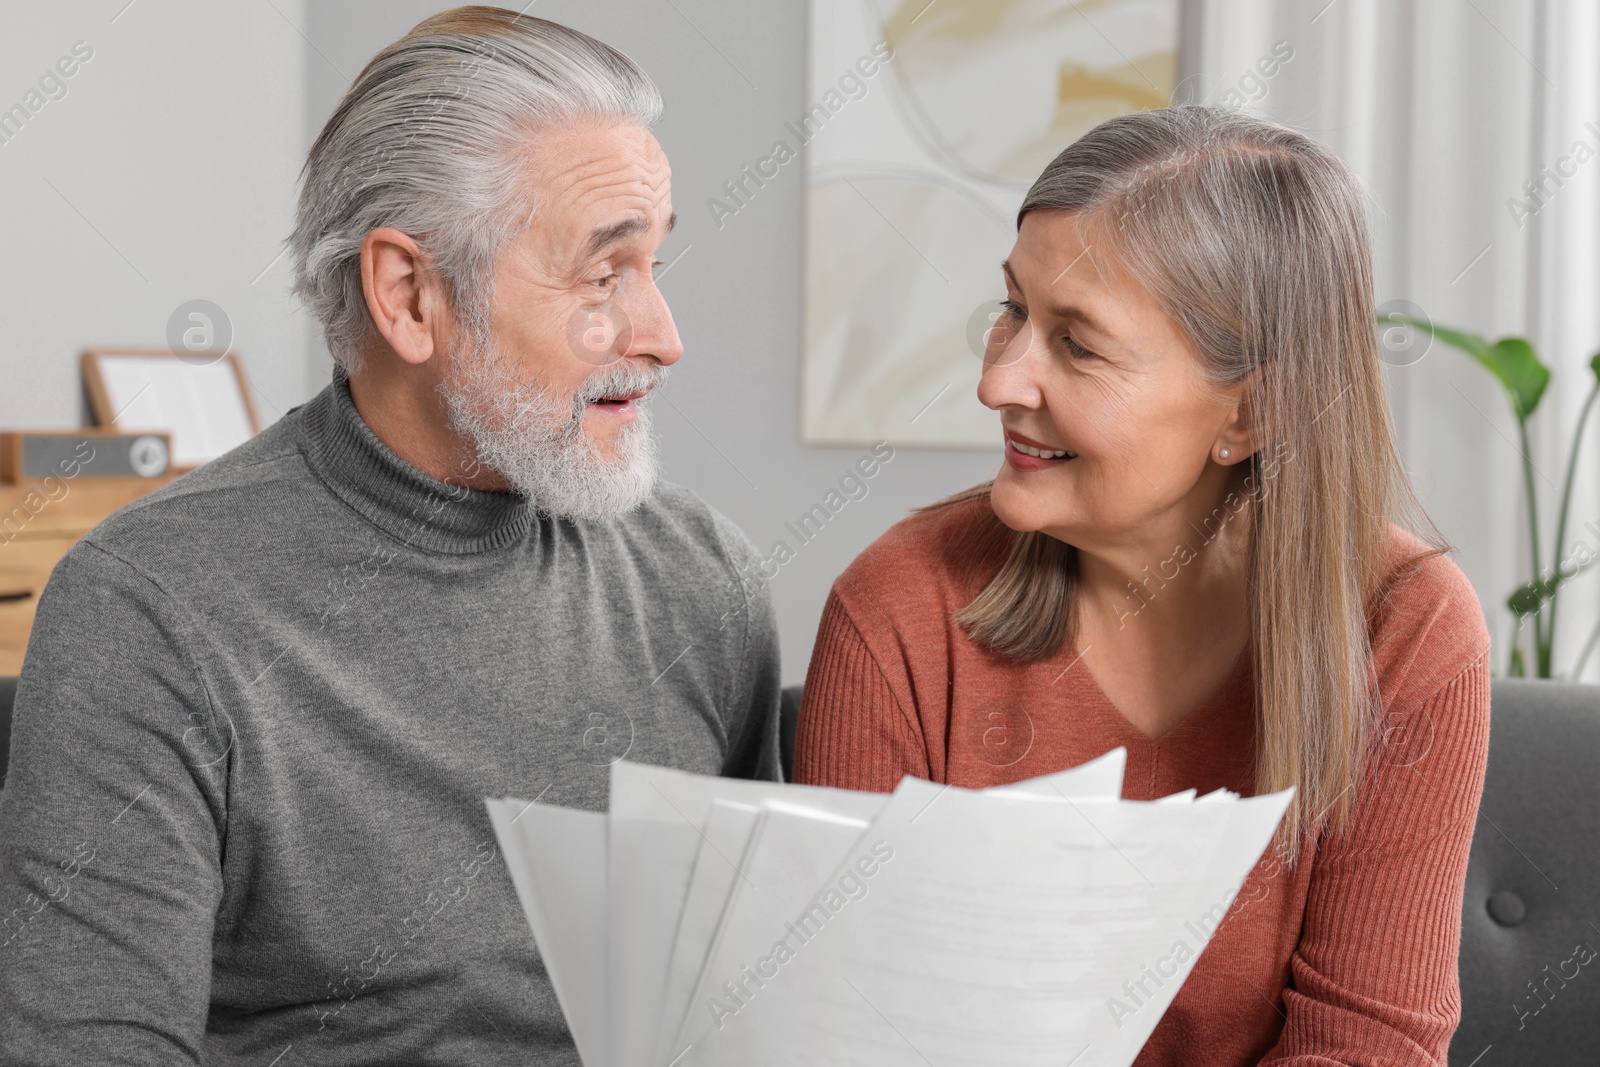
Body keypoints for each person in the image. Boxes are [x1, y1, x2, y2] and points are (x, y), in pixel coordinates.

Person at [0, 8, 780, 1064]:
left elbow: (764, 1008)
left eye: (654, 265)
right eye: (604, 275)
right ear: (409, 295)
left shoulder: (706, 584)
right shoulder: (148, 607)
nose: (663, 337)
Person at [796, 105, 1490, 1066]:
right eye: (1012, 311)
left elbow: (1368, 1046)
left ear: (1254, 412)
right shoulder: (898, 610)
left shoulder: (1406, 626)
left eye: (1078, 344)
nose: (1000, 381)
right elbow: (840, 1031)